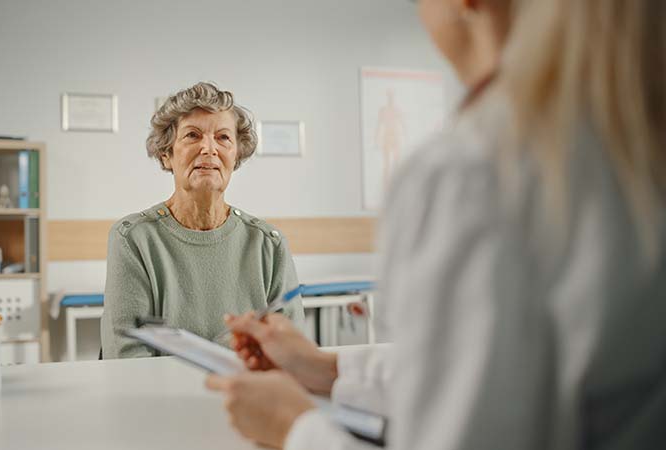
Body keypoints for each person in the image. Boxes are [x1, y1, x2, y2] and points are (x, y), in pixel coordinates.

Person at [206, 0, 666, 448]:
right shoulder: (619, 141)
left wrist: (294, 427)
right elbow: (493, 375)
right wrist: (328, 369)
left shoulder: (472, 173)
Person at [101, 82, 304, 359]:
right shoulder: (133, 239)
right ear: (166, 154)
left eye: (223, 138)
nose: (209, 148)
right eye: (193, 135)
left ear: (236, 155)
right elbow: (127, 359)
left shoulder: (268, 244)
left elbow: (292, 353)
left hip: (249, 397)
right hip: (162, 400)